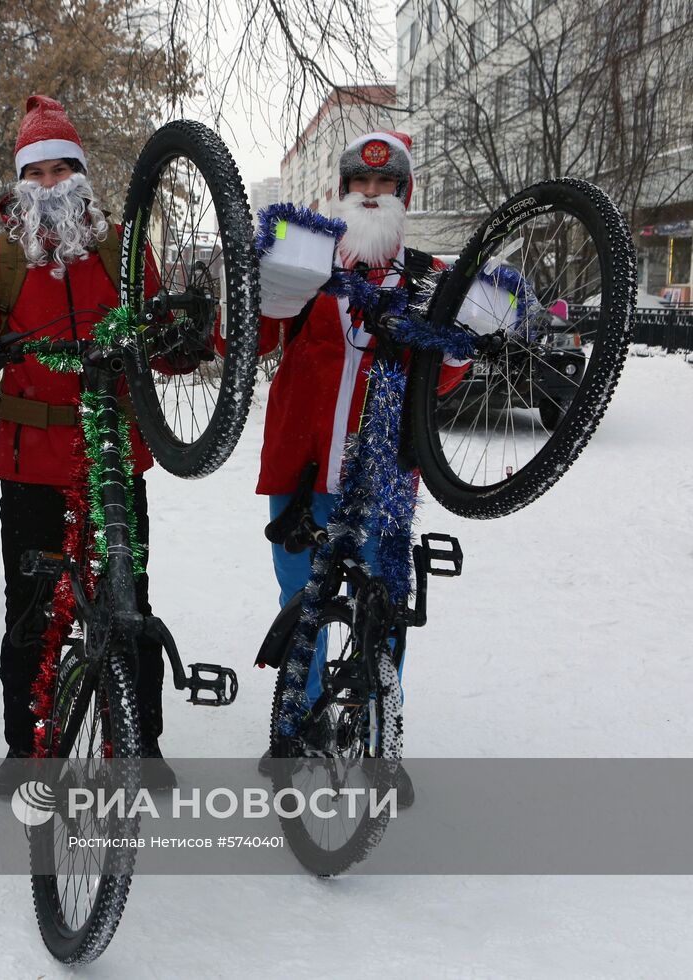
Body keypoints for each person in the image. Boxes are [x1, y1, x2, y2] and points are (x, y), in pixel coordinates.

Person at [0, 95, 167, 796]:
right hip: (31, 468)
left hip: (115, 463)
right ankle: (29, 753)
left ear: (84, 176)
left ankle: (141, 746)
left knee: (131, 602)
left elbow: (164, 349)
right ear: (21, 184)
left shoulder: (124, 251)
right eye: (40, 171)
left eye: (66, 169)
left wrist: (183, 339)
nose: (54, 183)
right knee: (32, 614)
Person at [255, 131, 468, 805]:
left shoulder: (428, 274)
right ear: (343, 191)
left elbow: (446, 375)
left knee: (383, 607)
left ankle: (378, 738)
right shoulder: (308, 256)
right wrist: (262, 285)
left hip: (383, 475)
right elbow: (256, 338)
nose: (370, 195)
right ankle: (301, 720)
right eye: (359, 185)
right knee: (302, 600)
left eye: (384, 186)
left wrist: (462, 335)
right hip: (302, 467)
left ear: (404, 195)